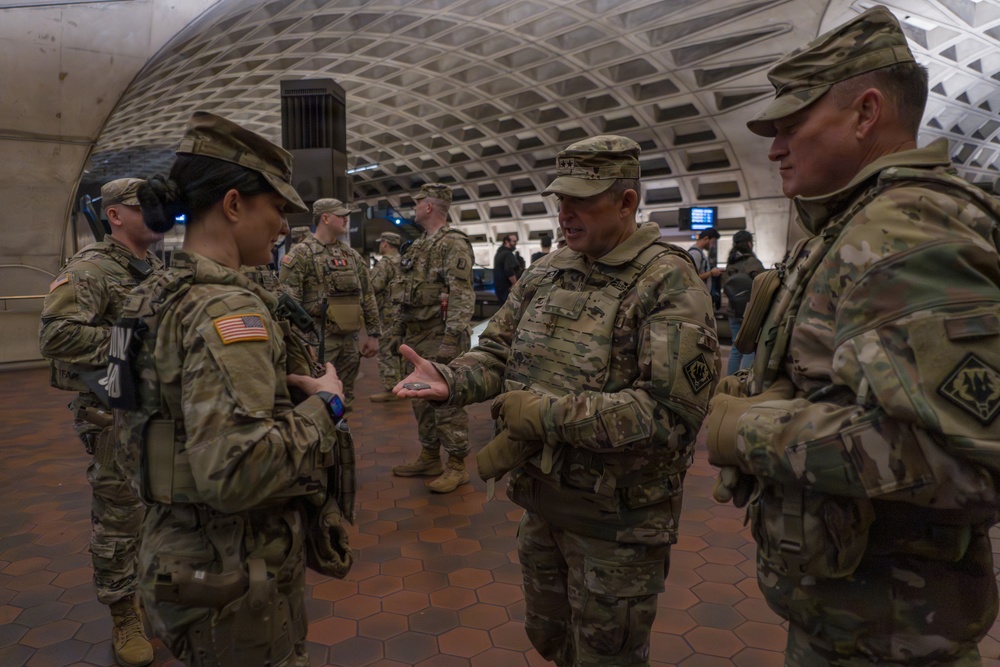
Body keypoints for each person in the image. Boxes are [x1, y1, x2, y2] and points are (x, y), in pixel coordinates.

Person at [706, 7, 1000, 666]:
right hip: (851, 622)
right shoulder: (853, 226)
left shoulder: (907, 235)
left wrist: (750, 430)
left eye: (792, 126)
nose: (775, 147)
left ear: (866, 113)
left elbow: (967, 464)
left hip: (894, 638)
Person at [395, 136, 719, 666]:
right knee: (550, 639)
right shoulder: (547, 270)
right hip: (543, 503)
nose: (566, 213)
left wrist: (543, 416)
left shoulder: (667, 281)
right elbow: (497, 351)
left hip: (618, 522)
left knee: (606, 654)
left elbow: (669, 415)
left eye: (582, 199)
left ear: (627, 202)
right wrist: (453, 379)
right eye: (560, 199)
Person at [111, 111, 352, 666]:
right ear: (234, 204)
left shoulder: (150, 296)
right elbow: (236, 475)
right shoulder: (228, 309)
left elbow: (125, 413)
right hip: (233, 569)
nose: (283, 227)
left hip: (177, 545)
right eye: (276, 208)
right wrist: (326, 405)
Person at [39, 177, 161, 667]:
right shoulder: (90, 268)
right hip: (113, 417)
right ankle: (122, 615)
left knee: (157, 511)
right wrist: (133, 343)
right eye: (143, 206)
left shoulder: (150, 265)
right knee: (119, 518)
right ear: (115, 215)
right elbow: (57, 336)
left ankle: (152, 598)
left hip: (152, 410)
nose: (156, 213)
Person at [389, 183, 475, 493]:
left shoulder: (452, 244)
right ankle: (429, 455)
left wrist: (451, 339)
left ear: (429, 207)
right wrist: (397, 330)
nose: (414, 208)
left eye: (417, 203)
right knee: (420, 401)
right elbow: (404, 294)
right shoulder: (418, 246)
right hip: (417, 337)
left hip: (441, 337)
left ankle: (456, 464)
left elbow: (462, 294)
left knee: (447, 401)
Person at [279, 197, 381, 408]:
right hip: (318, 341)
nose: (346, 219)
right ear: (324, 218)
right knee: (317, 400)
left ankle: (342, 437)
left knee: (345, 398)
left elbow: (367, 295)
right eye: (340, 215)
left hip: (349, 341)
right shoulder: (301, 255)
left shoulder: (351, 256)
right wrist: (302, 345)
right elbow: (289, 305)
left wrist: (373, 334)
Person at [720, 230, 765, 375]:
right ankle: (744, 383)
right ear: (749, 244)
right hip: (750, 311)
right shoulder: (752, 262)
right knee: (749, 346)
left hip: (734, 310)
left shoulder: (730, 264)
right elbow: (763, 283)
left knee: (736, 347)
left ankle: (730, 381)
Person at [369, 230, 405, 402]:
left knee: (386, 351)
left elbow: (372, 287)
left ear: (385, 244)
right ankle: (404, 384)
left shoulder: (384, 264)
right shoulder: (405, 261)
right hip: (404, 314)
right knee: (402, 350)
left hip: (388, 315)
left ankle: (392, 389)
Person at [492, 232, 522, 304]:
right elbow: (509, 271)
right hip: (507, 289)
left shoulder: (499, 253)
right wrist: (516, 286)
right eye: (514, 241)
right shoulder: (508, 254)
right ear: (507, 242)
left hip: (499, 288)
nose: (515, 243)